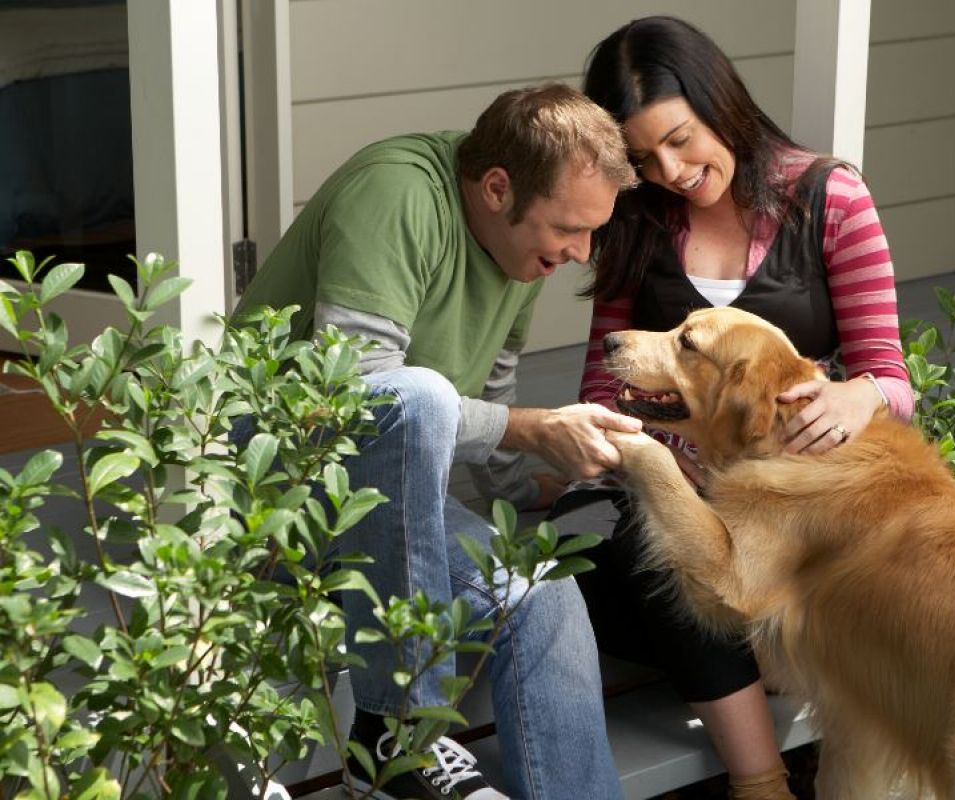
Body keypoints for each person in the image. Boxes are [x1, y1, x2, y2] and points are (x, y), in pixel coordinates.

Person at [234, 84, 640, 800]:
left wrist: (524, 483)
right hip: (284, 484)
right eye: (569, 228)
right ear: (494, 188)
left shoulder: (522, 247)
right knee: (414, 392)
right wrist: (532, 431)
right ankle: (400, 733)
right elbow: (356, 397)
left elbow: (490, 403)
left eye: (590, 232)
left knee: (542, 591)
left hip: (386, 499)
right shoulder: (396, 194)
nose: (580, 253)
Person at [570, 17, 914, 800]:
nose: (670, 171)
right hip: (684, 495)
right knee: (644, 558)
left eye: (681, 140)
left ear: (719, 102)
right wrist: (648, 447)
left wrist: (857, 394)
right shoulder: (635, 215)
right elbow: (603, 379)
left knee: (645, 590)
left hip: (798, 497)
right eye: (643, 158)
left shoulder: (827, 194)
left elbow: (887, 374)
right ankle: (761, 775)